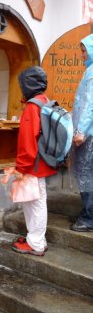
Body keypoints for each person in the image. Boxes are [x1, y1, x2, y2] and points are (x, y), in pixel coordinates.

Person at [11, 66, 57, 256]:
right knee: (37, 201)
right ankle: (37, 239)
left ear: (28, 84)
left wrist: (21, 167)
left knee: (34, 203)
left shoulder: (32, 107)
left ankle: (36, 244)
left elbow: (27, 141)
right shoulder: (45, 101)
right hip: (43, 161)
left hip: (33, 164)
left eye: (22, 84)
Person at [71, 33, 93, 232]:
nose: (82, 55)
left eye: (84, 50)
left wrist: (80, 131)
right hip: (89, 133)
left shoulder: (92, 72)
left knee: (87, 175)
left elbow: (89, 105)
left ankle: (88, 218)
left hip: (89, 135)